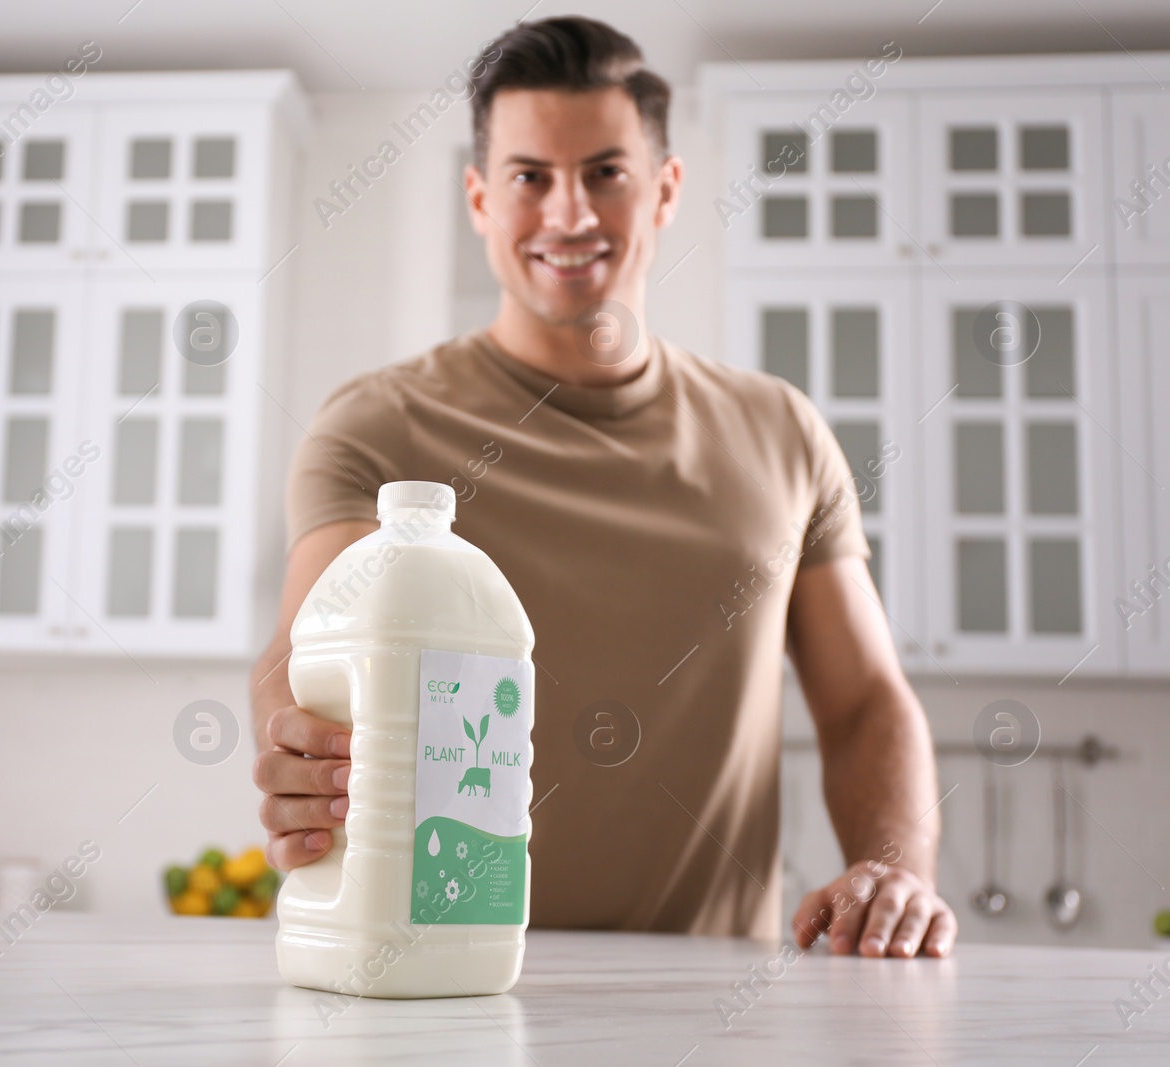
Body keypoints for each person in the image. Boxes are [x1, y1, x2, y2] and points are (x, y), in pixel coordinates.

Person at [250, 15, 956, 959]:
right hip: (428, 980)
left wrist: (893, 862)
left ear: (665, 190)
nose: (570, 213)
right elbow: (303, 657)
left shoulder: (783, 433)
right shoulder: (378, 427)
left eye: (605, 173)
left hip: (708, 1001)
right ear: (479, 200)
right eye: (530, 177)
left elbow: (866, 699)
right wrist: (292, 746)